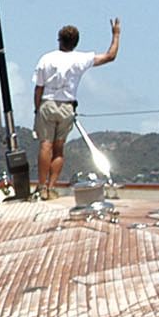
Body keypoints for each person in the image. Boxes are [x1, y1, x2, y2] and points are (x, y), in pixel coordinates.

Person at [32, 19, 118, 194]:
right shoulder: (81, 59)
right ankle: (51, 186)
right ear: (76, 42)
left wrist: (36, 109)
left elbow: (38, 87)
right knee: (58, 148)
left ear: (59, 40)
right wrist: (116, 35)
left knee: (45, 146)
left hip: (47, 103)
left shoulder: (47, 59)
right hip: (67, 106)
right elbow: (110, 56)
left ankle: (41, 187)